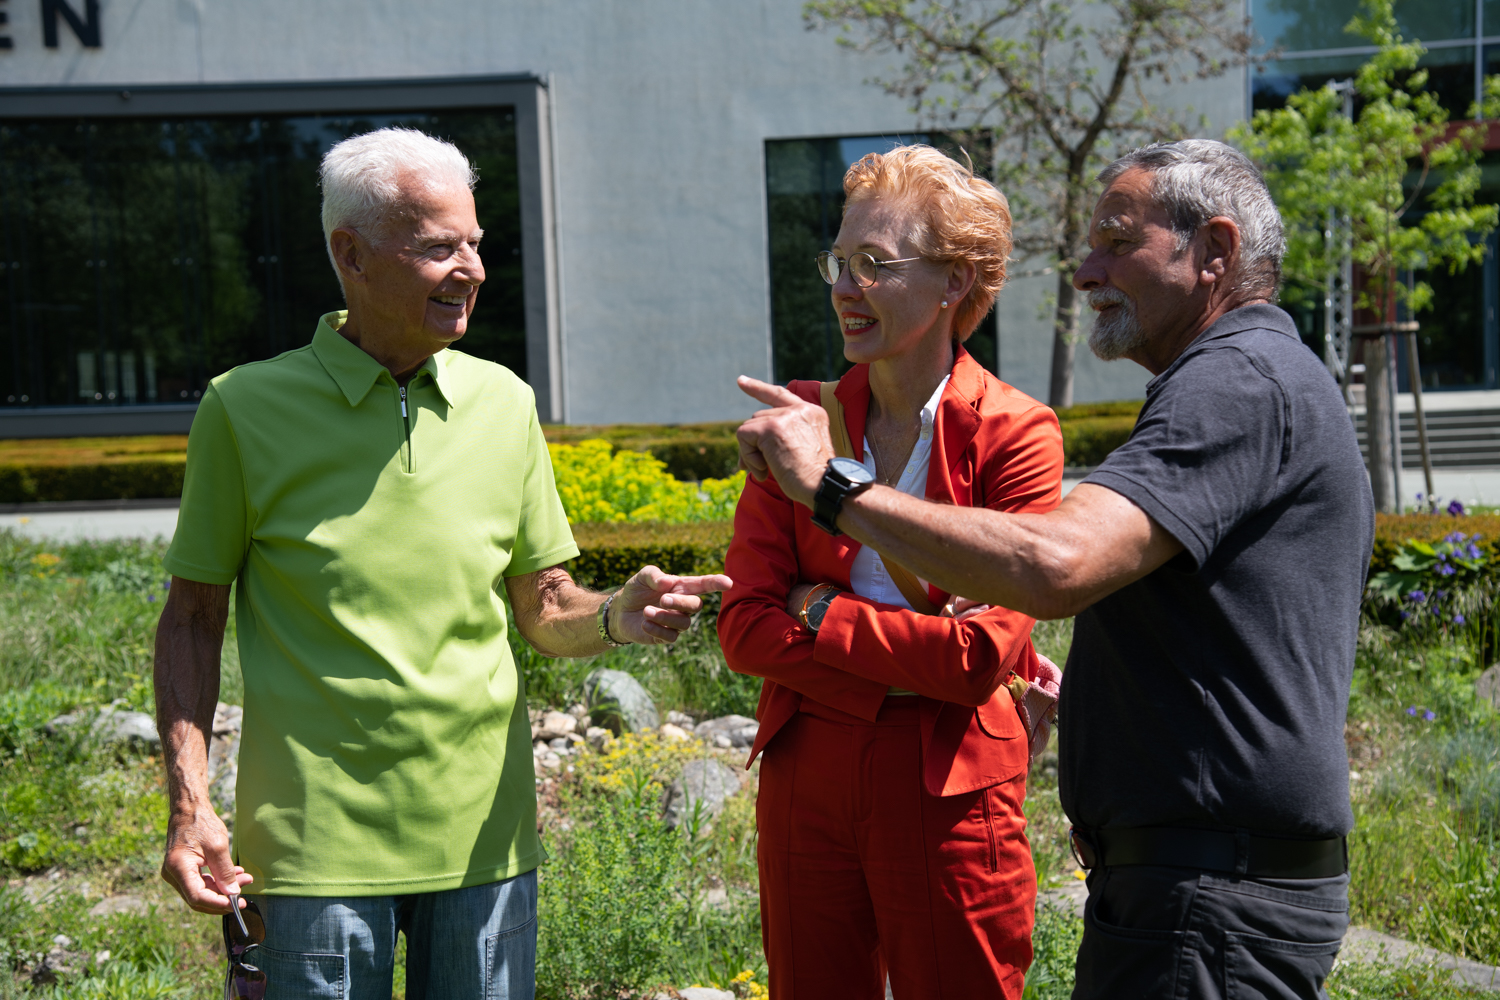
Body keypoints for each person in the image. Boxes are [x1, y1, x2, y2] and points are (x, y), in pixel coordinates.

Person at [734, 139, 1373, 1000]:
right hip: (1183, 880)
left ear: (1215, 251)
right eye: (838, 263)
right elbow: (744, 625)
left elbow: (1047, 573)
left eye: (1117, 241)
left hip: (1206, 888)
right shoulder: (1240, 378)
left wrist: (824, 553)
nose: (1084, 271)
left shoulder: (1233, 385)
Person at [153, 127, 730, 1000]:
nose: (472, 270)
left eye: (475, 244)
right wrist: (190, 805)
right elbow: (192, 621)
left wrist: (617, 615)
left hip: (485, 847)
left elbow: (545, 605)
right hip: (312, 852)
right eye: (438, 248)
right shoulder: (244, 408)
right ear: (351, 255)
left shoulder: (505, 402)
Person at [717, 145, 1065, 1000]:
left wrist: (818, 610)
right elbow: (744, 628)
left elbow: (977, 661)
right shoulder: (799, 423)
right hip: (808, 774)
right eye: (839, 261)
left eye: (874, 264)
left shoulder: (1017, 435)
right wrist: (917, 649)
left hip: (953, 786)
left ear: (954, 281)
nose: (845, 287)